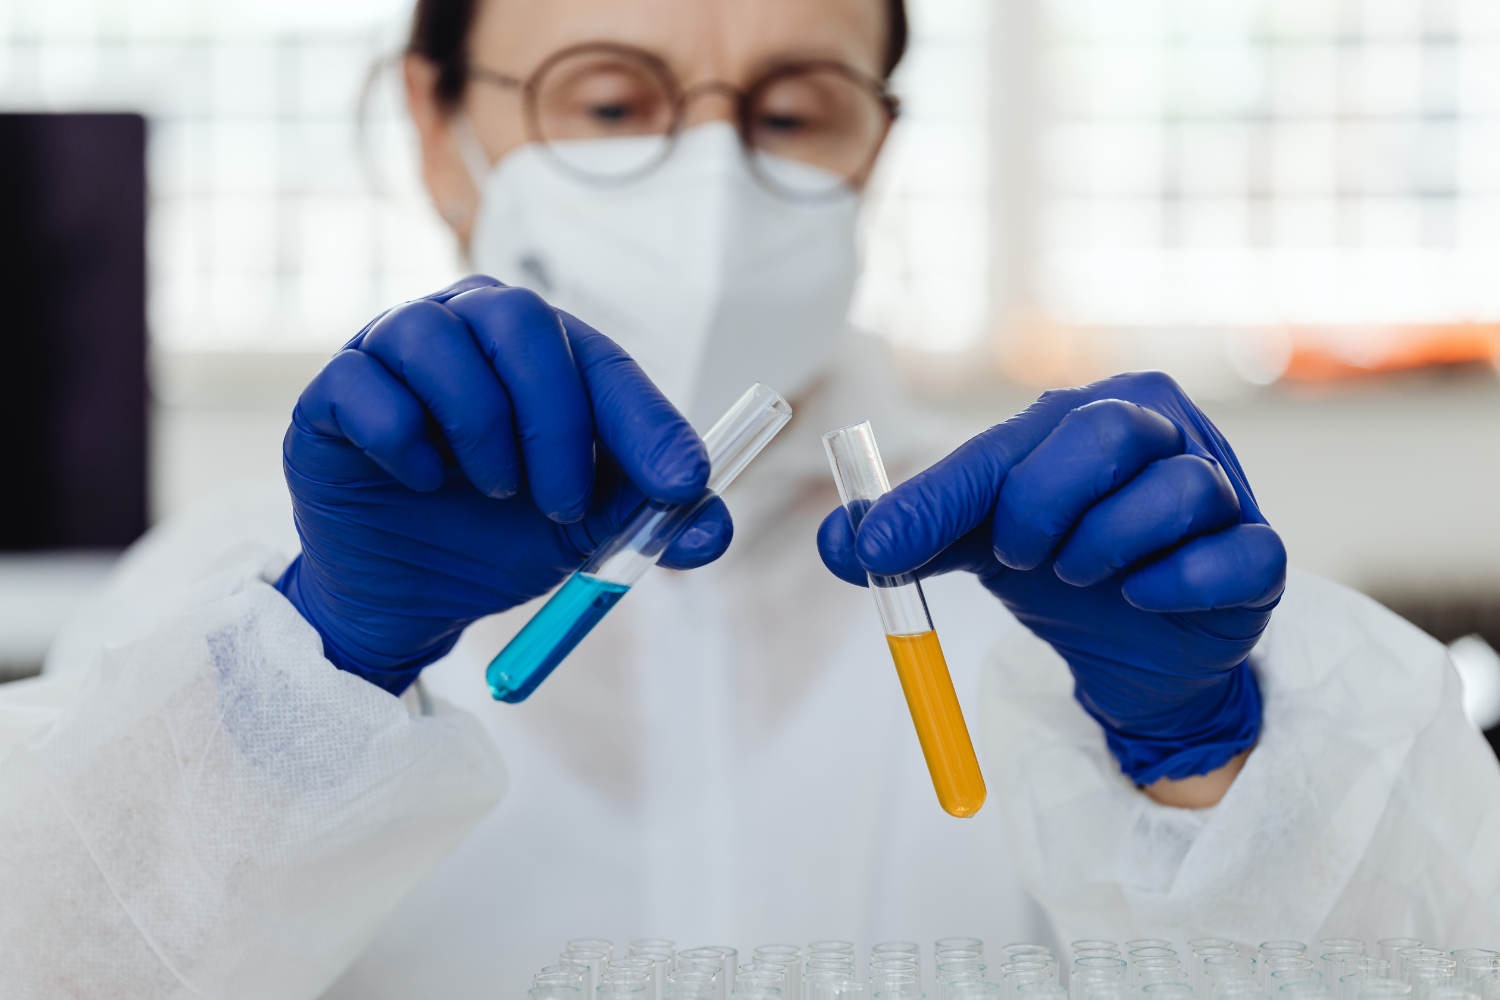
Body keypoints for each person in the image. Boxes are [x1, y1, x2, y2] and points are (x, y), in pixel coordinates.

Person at [2, 0, 1497, 996]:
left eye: (793, 112)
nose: (710, 183)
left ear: (880, 147)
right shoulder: (248, 590)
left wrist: (1208, 766)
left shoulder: (1085, 562)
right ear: (435, 119)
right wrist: (308, 677)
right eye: (610, 101)